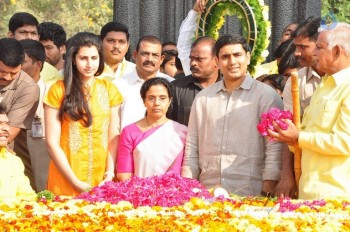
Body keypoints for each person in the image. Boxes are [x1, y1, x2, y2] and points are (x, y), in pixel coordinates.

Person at [182, 34, 283, 196]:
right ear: (216, 62)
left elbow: (274, 147)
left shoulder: (266, 96)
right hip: (207, 191)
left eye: (237, 55)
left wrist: (268, 187)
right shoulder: (203, 98)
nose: (232, 62)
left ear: (248, 57)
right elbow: (192, 147)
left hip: (251, 191)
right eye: (225, 57)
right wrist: (187, 187)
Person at [268, 22, 350, 199]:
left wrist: (298, 137)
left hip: (337, 197)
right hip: (310, 192)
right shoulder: (326, 86)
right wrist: (287, 136)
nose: (314, 53)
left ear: (336, 52)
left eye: (319, 48)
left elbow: (345, 142)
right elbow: (305, 135)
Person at [44, 32, 123, 196]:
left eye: (94, 58)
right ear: (73, 59)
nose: (89, 64)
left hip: (102, 179)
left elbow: (113, 136)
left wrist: (109, 174)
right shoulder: (58, 90)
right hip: (66, 178)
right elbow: (51, 142)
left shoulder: (110, 90)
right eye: (83, 58)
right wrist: (75, 182)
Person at [275, 17, 325, 198]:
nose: (296, 53)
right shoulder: (296, 81)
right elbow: (288, 132)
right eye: (295, 47)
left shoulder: (343, 80)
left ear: (321, 44)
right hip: (305, 172)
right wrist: (287, 175)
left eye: (303, 47)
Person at [117, 78, 187, 180]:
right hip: (140, 192)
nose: (157, 103)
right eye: (151, 98)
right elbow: (124, 174)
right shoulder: (130, 132)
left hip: (175, 193)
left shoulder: (182, 132)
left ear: (170, 100)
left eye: (162, 98)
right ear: (144, 101)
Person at [0, 38, 39, 190]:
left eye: (13, 73)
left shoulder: (29, 88)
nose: (7, 78)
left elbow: (7, 133)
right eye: (2, 71)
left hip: (8, 156)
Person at [113, 35, 173, 130]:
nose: (149, 59)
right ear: (135, 55)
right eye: (145, 54)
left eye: (155, 55)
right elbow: (114, 126)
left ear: (162, 59)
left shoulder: (172, 85)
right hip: (127, 143)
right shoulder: (118, 85)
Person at [19, 39, 50, 192]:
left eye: (22, 61)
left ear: (38, 65)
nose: (16, 65)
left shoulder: (53, 93)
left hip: (42, 152)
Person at [169, 36, 220, 126]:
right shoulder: (175, 88)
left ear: (216, 60)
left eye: (199, 59)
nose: (193, 63)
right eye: (191, 58)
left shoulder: (229, 88)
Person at [7, 12, 62, 86]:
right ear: (10, 35)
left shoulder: (52, 73)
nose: (29, 37)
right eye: (23, 32)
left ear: (38, 37)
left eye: (33, 33)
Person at [0, 103, 36, 202]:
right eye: (0, 123)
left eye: (7, 124)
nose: (6, 128)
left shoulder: (14, 161)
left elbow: (28, 195)